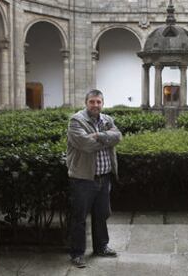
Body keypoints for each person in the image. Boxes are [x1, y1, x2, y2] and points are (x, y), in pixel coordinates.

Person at [66, 89, 122, 267]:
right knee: (79, 218)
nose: (95, 105)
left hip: (104, 177)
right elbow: (85, 144)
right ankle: (77, 254)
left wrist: (98, 135)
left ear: (102, 103)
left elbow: (118, 136)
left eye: (99, 102)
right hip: (83, 178)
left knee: (101, 214)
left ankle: (101, 247)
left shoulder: (107, 120)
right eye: (92, 102)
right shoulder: (76, 121)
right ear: (86, 102)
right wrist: (107, 138)